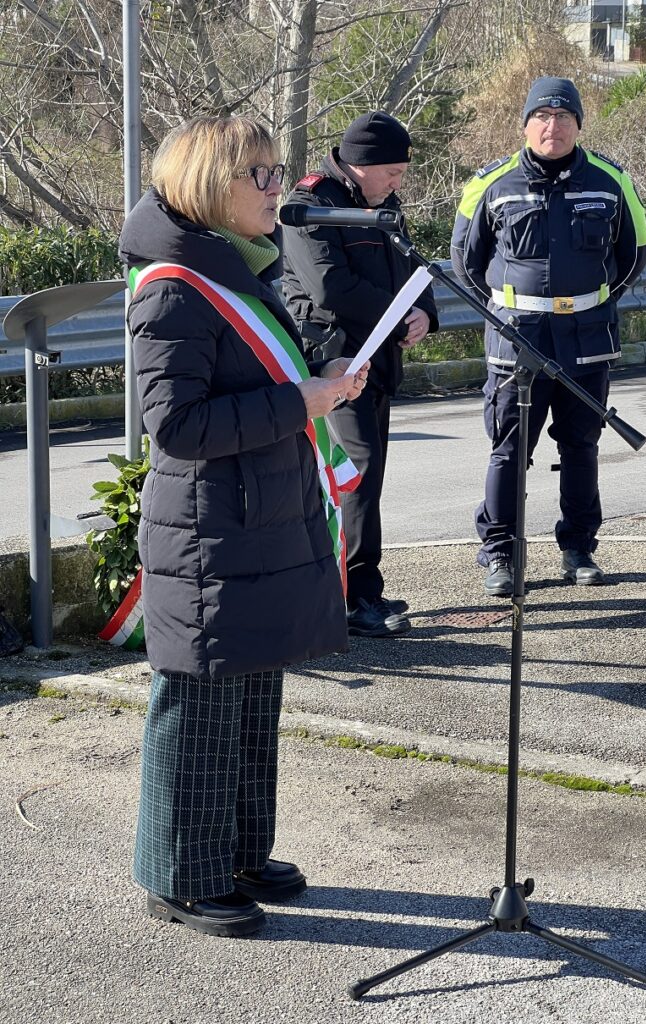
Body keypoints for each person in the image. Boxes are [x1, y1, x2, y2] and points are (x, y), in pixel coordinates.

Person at [118, 115, 368, 937]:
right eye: (258, 175)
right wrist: (302, 401)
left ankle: (236, 852)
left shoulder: (234, 266)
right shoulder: (171, 287)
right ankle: (181, 877)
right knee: (200, 707)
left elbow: (258, 375)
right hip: (208, 530)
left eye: (275, 170)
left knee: (254, 694)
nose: (276, 188)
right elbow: (179, 426)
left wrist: (318, 378)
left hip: (256, 519)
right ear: (209, 185)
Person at [451, 77, 646, 595]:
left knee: (582, 445)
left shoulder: (610, 181)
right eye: (541, 116)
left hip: (585, 337)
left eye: (563, 117)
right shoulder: (490, 184)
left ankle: (578, 547)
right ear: (525, 124)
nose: (552, 126)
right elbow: (465, 262)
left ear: (579, 124)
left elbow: (633, 257)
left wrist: (594, 303)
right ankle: (500, 554)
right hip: (517, 339)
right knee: (509, 449)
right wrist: (503, 314)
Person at [281, 111, 439, 638]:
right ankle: (353, 593)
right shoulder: (312, 203)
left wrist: (424, 312)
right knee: (358, 471)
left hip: (377, 361)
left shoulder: (380, 201)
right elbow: (329, 289)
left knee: (369, 473)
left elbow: (409, 265)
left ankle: (362, 586)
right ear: (360, 165)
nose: (399, 183)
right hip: (332, 361)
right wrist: (398, 314)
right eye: (392, 172)